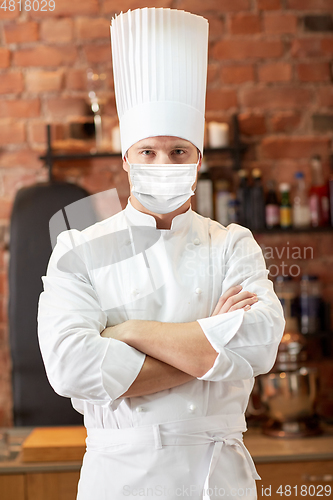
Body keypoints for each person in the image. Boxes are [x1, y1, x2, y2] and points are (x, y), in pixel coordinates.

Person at [37, 8, 285, 500]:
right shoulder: (78, 248)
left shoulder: (232, 243)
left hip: (216, 480)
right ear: (126, 158)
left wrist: (129, 333)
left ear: (199, 160)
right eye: (148, 152)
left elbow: (258, 345)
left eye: (178, 152)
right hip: (120, 481)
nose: (163, 164)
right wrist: (209, 348)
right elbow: (70, 366)